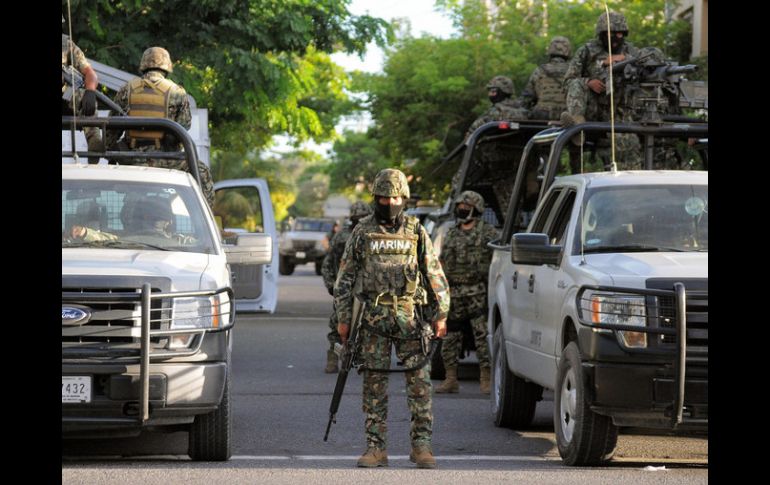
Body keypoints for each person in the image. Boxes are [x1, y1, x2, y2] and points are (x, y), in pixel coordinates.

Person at [334, 169, 450, 469]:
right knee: (374, 384)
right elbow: (345, 278)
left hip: (411, 319)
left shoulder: (415, 230)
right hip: (373, 320)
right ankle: (376, 448)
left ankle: (422, 446)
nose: (390, 202)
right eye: (384, 197)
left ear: (404, 198)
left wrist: (442, 313)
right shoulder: (362, 232)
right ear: (376, 197)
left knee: (420, 384)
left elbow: (434, 273)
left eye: (395, 197)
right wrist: (343, 319)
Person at [104, 47, 215, 208]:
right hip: (165, 159)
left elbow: (111, 127)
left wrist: (112, 151)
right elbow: (184, 126)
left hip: (132, 160)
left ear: (143, 66)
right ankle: (208, 220)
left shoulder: (126, 89)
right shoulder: (177, 92)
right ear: (167, 67)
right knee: (202, 172)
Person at [435, 191, 499, 395]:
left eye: (466, 206)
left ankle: (486, 379)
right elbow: (443, 260)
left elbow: (496, 261)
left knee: (481, 336)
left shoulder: (487, 232)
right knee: (450, 337)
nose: (462, 209)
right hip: (454, 292)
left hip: (477, 291)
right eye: (460, 206)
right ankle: (450, 379)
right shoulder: (452, 232)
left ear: (476, 208)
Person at [560, 11, 642, 169]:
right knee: (576, 84)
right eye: (612, 34)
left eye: (620, 34)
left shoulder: (631, 51)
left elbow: (646, 70)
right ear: (602, 34)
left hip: (620, 112)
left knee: (628, 152)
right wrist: (589, 82)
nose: (616, 38)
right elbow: (567, 81)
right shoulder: (587, 51)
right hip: (592, 108)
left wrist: (625, 60)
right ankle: (577, 125)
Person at [321, 201, 373, 373]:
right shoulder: (342, 237)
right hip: (344, 289)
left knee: (367, 325)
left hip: (366, 290)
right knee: (337, 323)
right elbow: (328, 263)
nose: (360, 221)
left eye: (363, 217)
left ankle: (363, 358)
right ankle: (333, 357)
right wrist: (331, 286)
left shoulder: (373, 235)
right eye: (357, 217)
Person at [62, 15, 103, 164]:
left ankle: (94, 142)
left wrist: (90, 91)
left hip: (64, 99)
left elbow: (90, 74)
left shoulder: (66, 45)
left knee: (83, 95)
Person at [520, 36, 572, 121]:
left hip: (543, 115)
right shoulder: (574, 71)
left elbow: (527, 98)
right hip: (567, 115)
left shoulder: (540, 70)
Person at [464, 76, 529, 140]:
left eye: (493, 91)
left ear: (501, 92)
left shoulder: (493, 113)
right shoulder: (525, 112)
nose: (490, 94)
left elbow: (471, 135)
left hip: (493, 149)